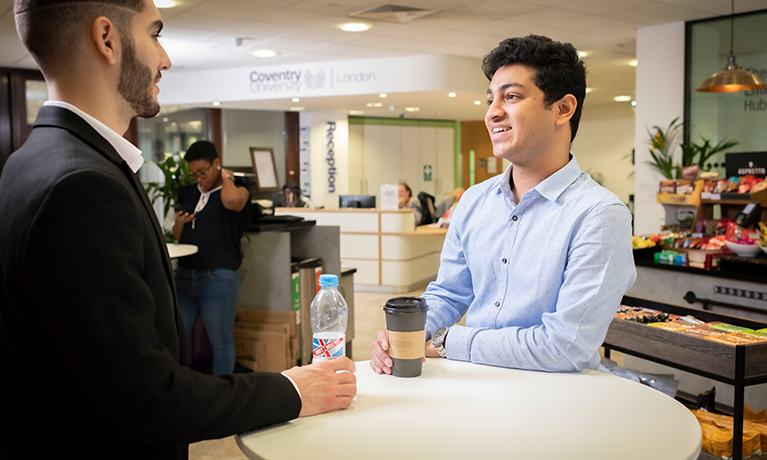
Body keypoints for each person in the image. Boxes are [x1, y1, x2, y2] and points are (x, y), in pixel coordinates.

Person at [0, 0, 355, 458]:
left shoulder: (28, 162)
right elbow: (146, 399)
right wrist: (293, 391)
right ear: (107, 39)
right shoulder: (81, 185)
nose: (165, 58)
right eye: (155, 34)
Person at [371, 35, 636, 375]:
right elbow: (450, 293)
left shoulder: (599, 215)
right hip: (475, 383)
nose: (493, 112)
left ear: (563, 109)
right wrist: (409, 332)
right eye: (490, 99)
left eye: (511, 96)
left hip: (555, 400)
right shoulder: (475, 200)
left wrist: (447, 342)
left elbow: (565, 347)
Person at [173, 140, 250, 376]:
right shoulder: (186, 193)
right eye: (193, 174)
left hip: (218, 277)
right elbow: (177, 235)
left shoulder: (238, 188)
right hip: (185, 276)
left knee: (221, 340)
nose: (199, 178)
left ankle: (223, 396)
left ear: (216, 163)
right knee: (176, 337)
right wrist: (180, 222)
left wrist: (226, 177)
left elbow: (232, 202)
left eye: (203, 172)